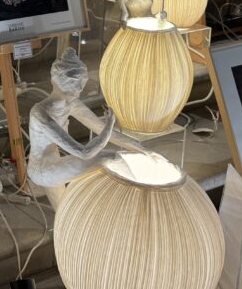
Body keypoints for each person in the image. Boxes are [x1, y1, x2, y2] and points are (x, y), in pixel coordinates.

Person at [26, 49, 152, 208]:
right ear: (56, 79)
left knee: (63, 210)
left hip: (56, 161)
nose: (79, 87)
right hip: (42, 169)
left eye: (83, 82)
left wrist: (142, 149)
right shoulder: (40, 113)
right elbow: (84, 152)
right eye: (74, 80)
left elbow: (101, 129)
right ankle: (135, 203)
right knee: (112, 157)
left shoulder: (71, 104)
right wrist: (109, 125)